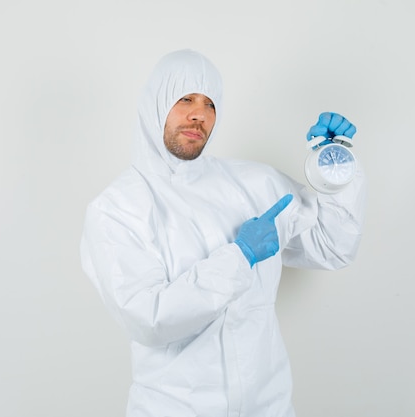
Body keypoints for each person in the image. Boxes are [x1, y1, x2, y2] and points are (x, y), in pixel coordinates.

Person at [80, 49, 366, 417]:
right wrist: (239, 257)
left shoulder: (255, 184)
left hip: (269, 407)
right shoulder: (119, 208)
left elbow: (333, 246)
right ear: (156, 103)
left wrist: (336, 166)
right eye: (185, 99)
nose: (199, 114)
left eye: (210, 104)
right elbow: (148, 319)